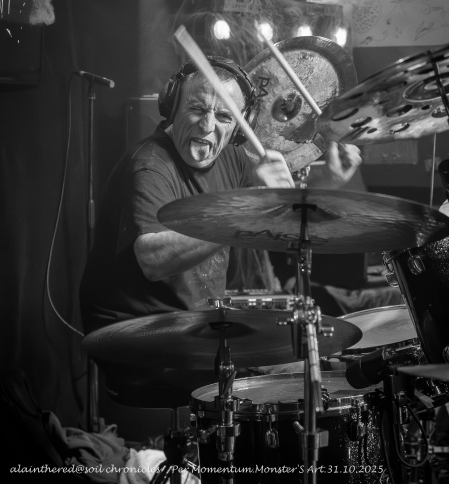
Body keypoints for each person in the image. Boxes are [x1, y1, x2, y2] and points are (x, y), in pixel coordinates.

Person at [79, 56, 362, 406]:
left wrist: (326, 183)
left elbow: (278, 215)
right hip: (140, 341)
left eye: (225, 116)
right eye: (197, 108)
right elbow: (153, 259)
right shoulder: (150, 165)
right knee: (289, 384)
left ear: (240, 126)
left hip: (195, 329)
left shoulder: (231, 157)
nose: (207, 126)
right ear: (172, 107)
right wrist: (249, 209)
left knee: (325, 367)